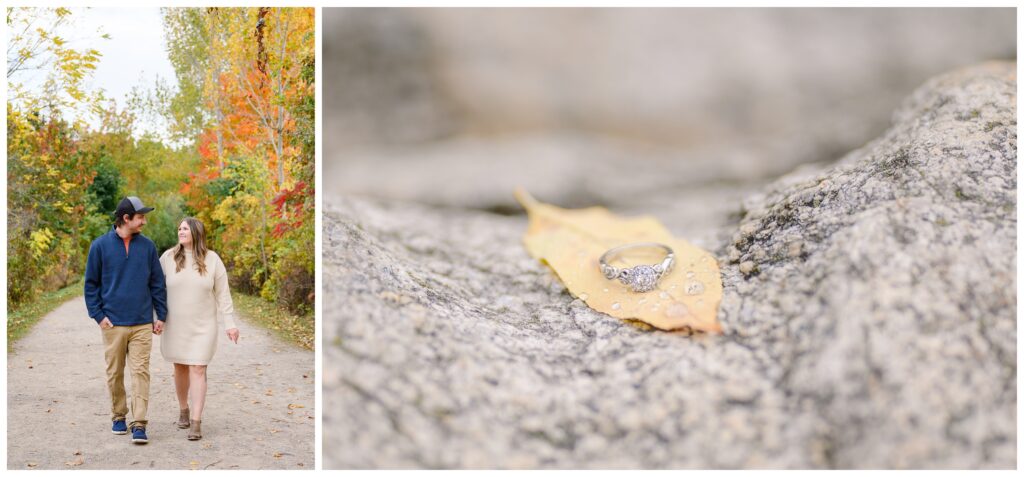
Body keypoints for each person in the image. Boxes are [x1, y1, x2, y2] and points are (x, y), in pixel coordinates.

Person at [84, 196, 167, 445]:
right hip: (113, 324)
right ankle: (118, 416)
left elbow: (157, 283)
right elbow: (91, 285)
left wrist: (160, 315)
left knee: (141, 372)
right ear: (126, 218)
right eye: (140, 216)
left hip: (141, 322)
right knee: (115, 373)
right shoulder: (99, 247)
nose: (144, 220)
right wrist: (99, 316)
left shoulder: (148, 247)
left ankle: (139, 423)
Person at [158, 217, 239, 441]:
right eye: (179, 228)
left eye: (185, 228)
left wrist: (230, 323)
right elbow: (155, 289)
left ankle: (196, 421)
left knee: (198, 368)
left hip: (203, 326)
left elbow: (223, 294)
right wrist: (156, 316)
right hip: (176, 324)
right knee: (180, 367)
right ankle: (183, 408)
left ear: (196, 231)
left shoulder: (212, 260)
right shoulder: (168, 258)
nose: (180, 231)